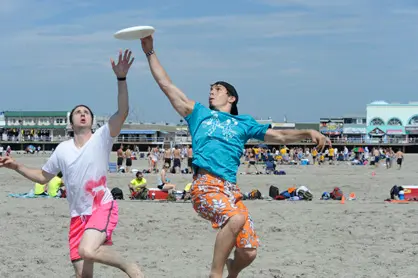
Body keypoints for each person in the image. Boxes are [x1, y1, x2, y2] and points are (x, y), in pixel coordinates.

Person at [140, 35, 331, 278]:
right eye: (210, 89)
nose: (212, 92)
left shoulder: (244, 123)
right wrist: (150, 52)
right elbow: (167, 85)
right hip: (205, 186)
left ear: (231, 98)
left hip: (230, 189)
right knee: (236, 218)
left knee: (249, 251)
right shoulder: (199, 114)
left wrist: (307, 132)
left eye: (218, 89)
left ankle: (232, 271)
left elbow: (280, 137)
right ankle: (215, 274)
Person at [0, 49, 143, 278]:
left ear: (92, 120)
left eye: (86, 112)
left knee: (87, 250)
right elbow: (43, 177)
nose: (83, 114)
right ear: (71, 122)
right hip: (77, 215)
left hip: (101, 207)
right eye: (78, 112)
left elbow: (123, 111)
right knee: (82, 275)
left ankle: (129, 266)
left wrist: (121, 78)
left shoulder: (102, 137)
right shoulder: (62, 149)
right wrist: (17, 166)